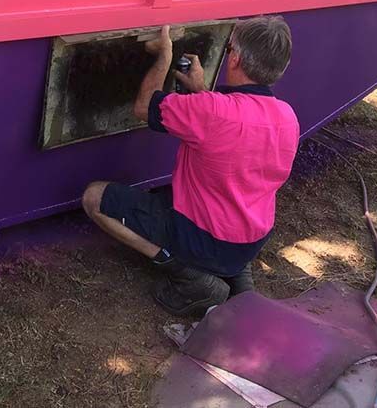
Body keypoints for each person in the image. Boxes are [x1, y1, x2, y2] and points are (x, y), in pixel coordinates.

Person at [81, 16, 299, 317]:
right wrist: (201, 91)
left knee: (95, 197)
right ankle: (236, 276)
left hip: (205, 238)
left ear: (234, 58)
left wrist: (164, 56)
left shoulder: (212, 111)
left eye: (229, 48)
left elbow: (144, 106)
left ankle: (189, 275)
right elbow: (232, 124)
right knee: (217, 203)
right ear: (281, 68)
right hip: (251, 240)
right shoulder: (287, 117)